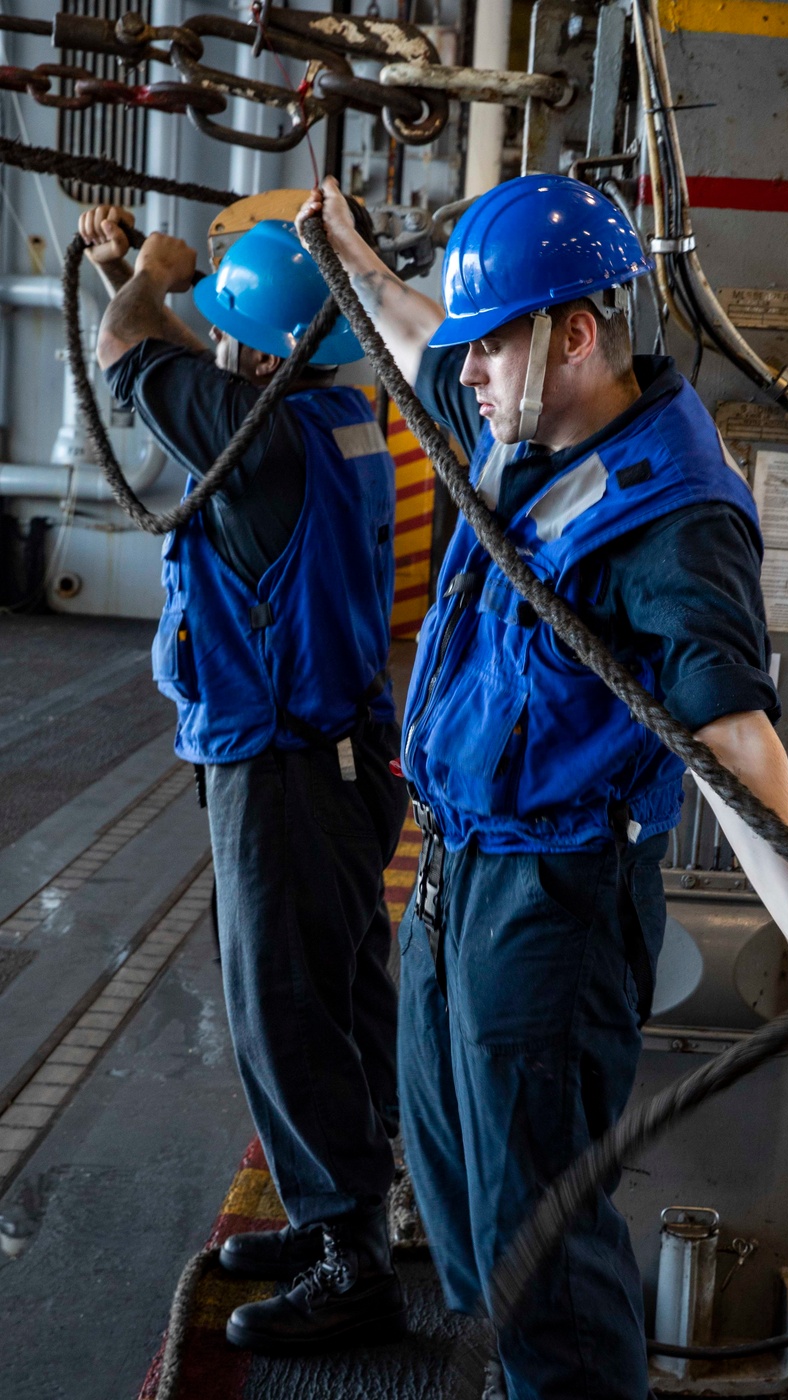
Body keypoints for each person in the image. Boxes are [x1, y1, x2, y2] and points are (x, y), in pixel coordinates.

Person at [298, 173, 788, 1399]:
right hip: (457, 881)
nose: (473, 370)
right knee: (462, 1207)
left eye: (494, 340)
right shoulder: (527, 419)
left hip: (548, 910)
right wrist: (346, 251)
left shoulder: (676, 511)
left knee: (542, 1246)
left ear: (576, 332)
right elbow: (420, 337)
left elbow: (728, 735)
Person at [82, 201, 410, 1353]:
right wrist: (135, 272)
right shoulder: (334, 408)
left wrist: (154, 277)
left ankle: (346, 1257)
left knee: (284, 1005)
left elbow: (132, 351)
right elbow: (158, 353)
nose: (215, 344)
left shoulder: (258, 427)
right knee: (343, 984)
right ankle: (352, 1208)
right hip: (335, 753)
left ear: (260, 348)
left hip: (280, 765)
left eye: (229, 327)